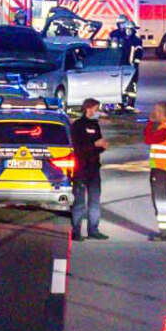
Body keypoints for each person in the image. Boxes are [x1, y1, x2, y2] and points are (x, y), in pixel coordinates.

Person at [69, 98, 110, 241]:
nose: (97, 112)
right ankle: (76, 231)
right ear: (88, 108)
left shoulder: (95, 125)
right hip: (81, 168)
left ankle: (93, 229)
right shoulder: (77, 126)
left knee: (94, 201)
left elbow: (96, 147)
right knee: (79, 202)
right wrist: (94, 144)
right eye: (95, 109)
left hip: (94, 168)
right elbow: (78, 149)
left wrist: (102, 147)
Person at [144, 102, 166, 241]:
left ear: (161, 112)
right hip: (162, 169)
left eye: (156, 111)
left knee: (161, 200)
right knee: (161, 199)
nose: (154, 113)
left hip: (161, 169)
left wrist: (149, 123)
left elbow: (148, 139)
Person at [112, 14, 143, 110]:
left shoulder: (136, 41)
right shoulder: (122, 39)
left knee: (131, 86)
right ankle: (121, 103)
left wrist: (135, 65)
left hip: (131, 67)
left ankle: (130, 104)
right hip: (123, 65)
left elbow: (138, 54)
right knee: (122, 85)